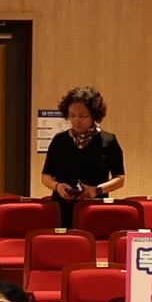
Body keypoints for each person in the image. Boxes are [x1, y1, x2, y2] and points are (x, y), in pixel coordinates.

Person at [41, 85, 125, 217]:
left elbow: (120, 179)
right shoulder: (59, 140)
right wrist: (58, 186)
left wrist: (96, 190)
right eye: (72, 116)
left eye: (82, 116)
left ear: (94, 115)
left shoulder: (108, 140)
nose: (76, 120)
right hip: (62, 207)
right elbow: (46, 176)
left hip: (95, 208)